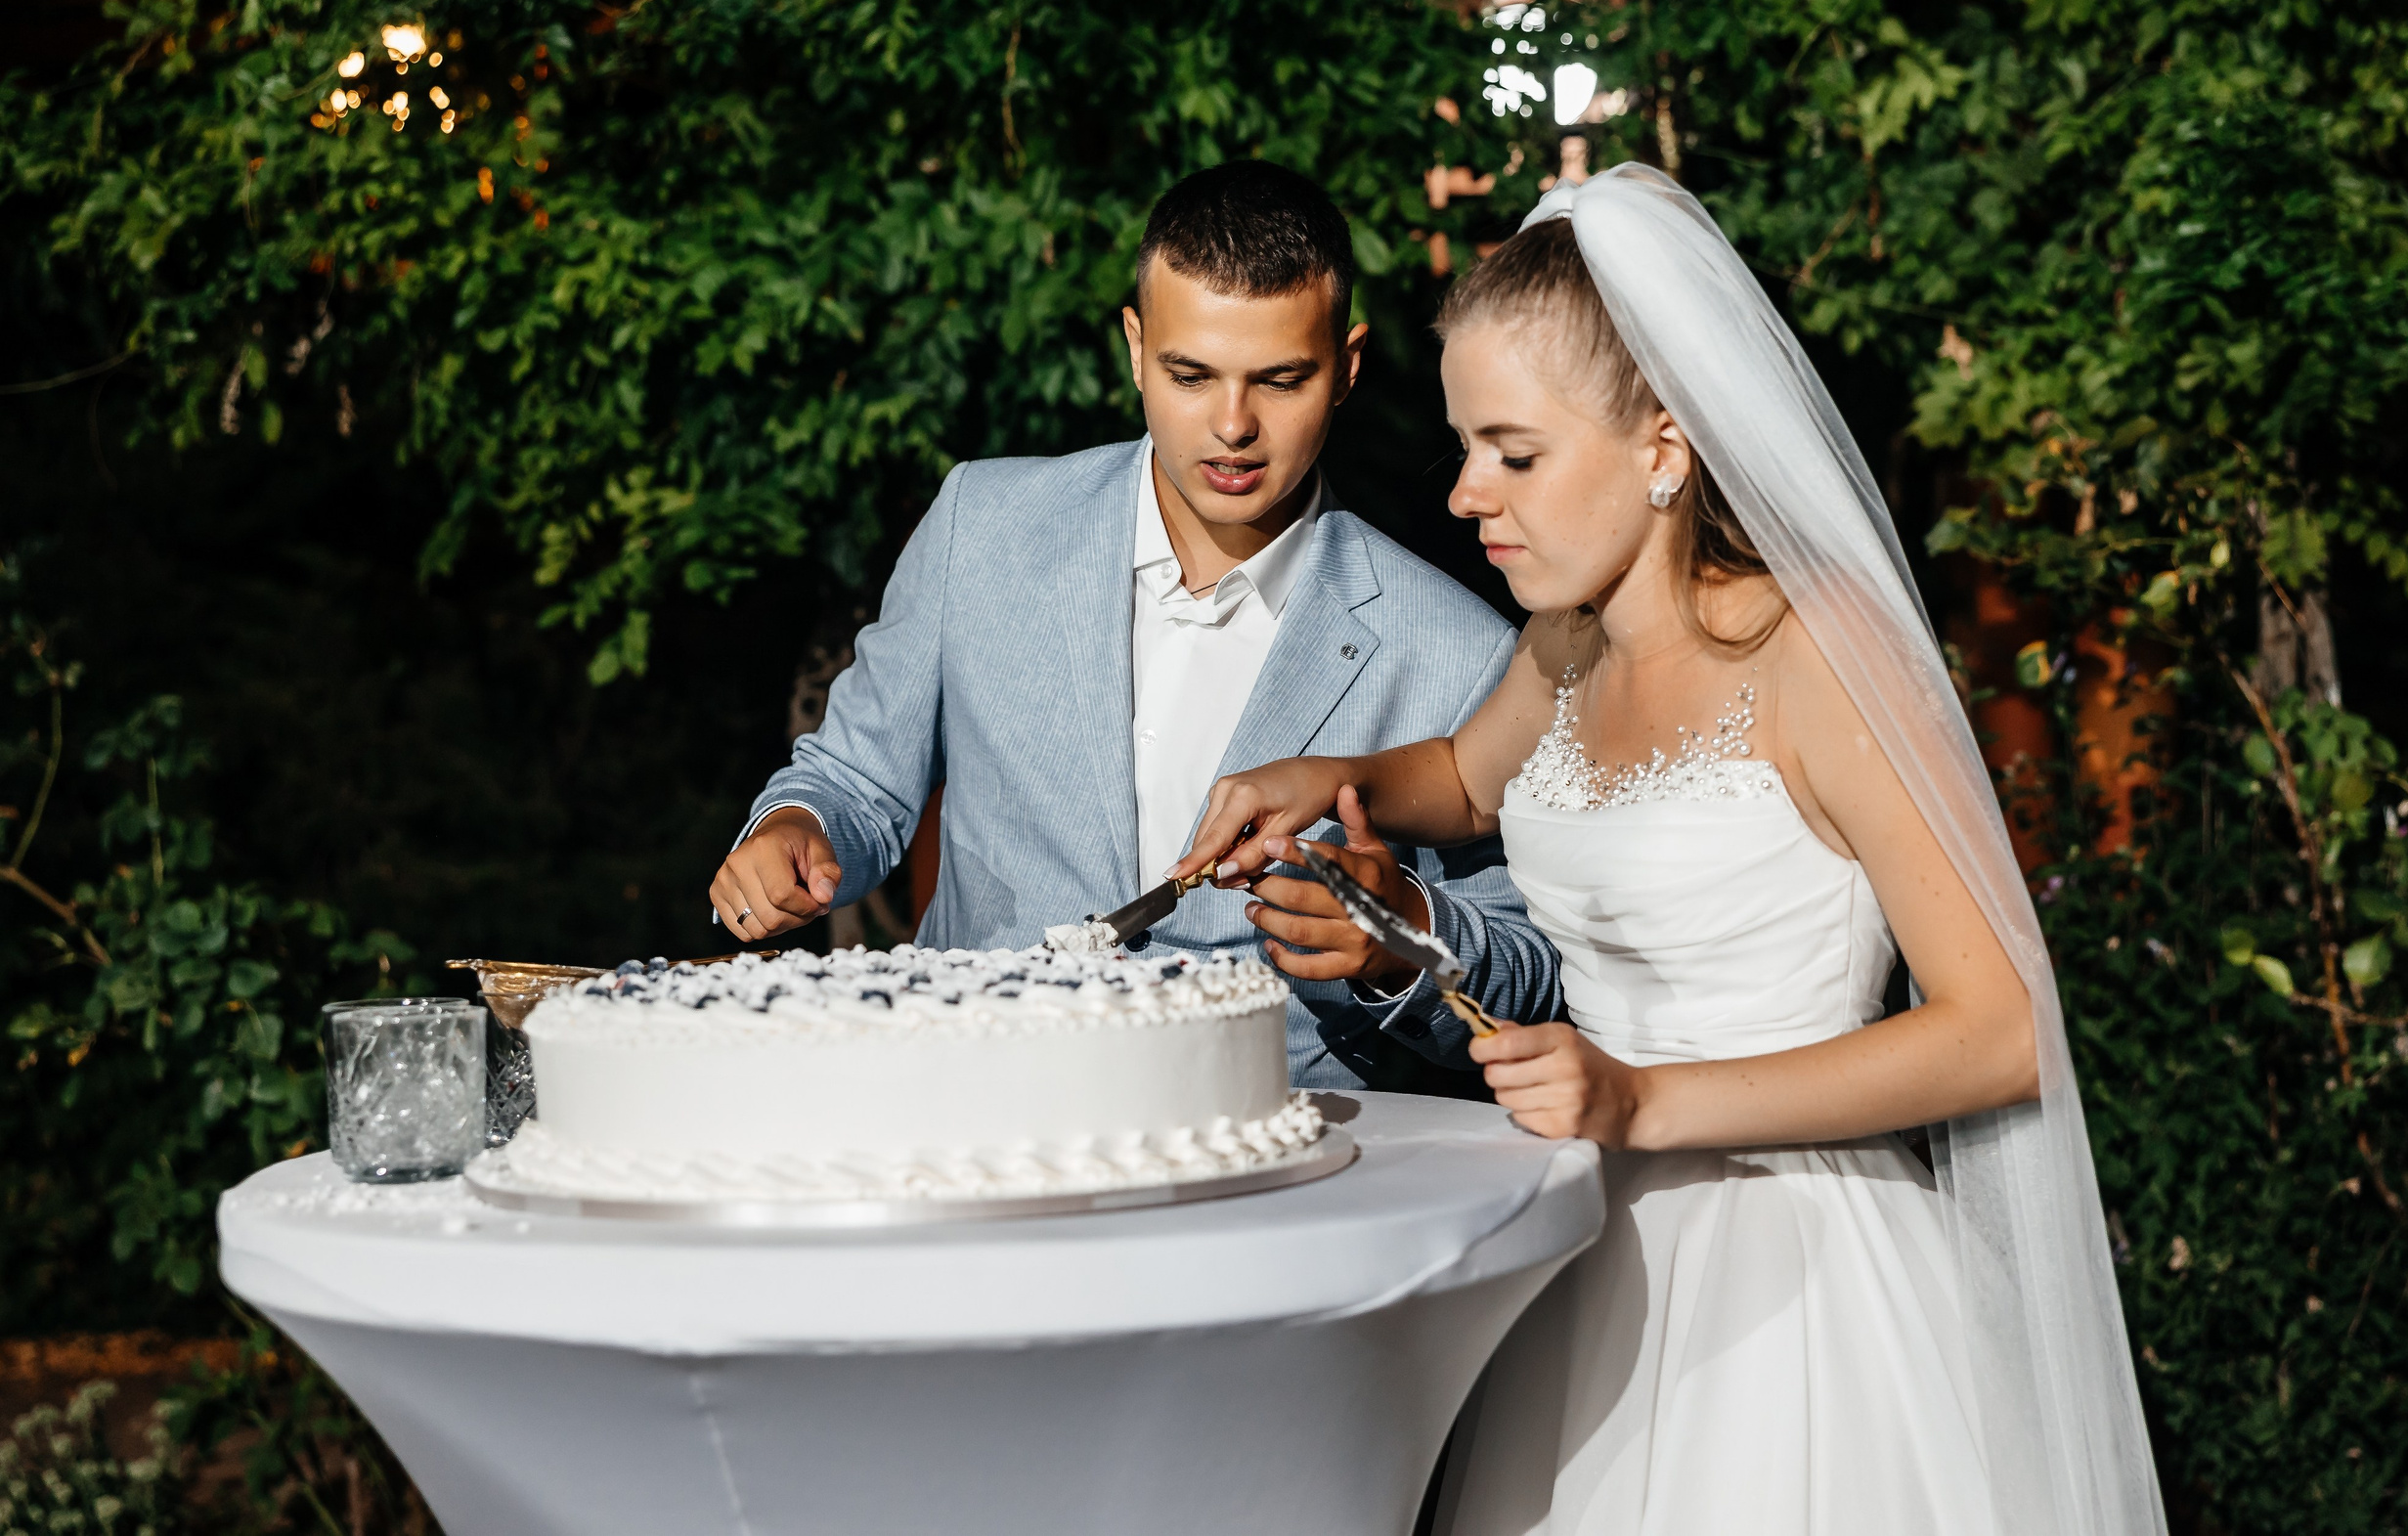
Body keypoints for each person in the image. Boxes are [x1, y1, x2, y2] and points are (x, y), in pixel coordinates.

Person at [1173, 167, 2165, 1532]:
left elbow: (1999, 1029)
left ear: (1662, 446)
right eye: (1466, 446)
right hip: (1585, 1252)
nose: (1467, 492)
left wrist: (1643, 1101)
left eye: (1514, 452)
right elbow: (1464, 780)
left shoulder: (1826, 657)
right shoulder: (1568, 643)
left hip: (1798, 1278)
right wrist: (1327, 778)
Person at [708, 161, 1560, 1092]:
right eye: (1189, 373)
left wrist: (1402, 937)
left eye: (1280, 379)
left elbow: (1530, 979)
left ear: (1348, 367)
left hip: (1257, 1175)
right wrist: (796, 825)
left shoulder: (1464, 650)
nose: (1232, 425)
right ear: (1133, 344)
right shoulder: (980, 524)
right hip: (962, 1110)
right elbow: (855, 778)